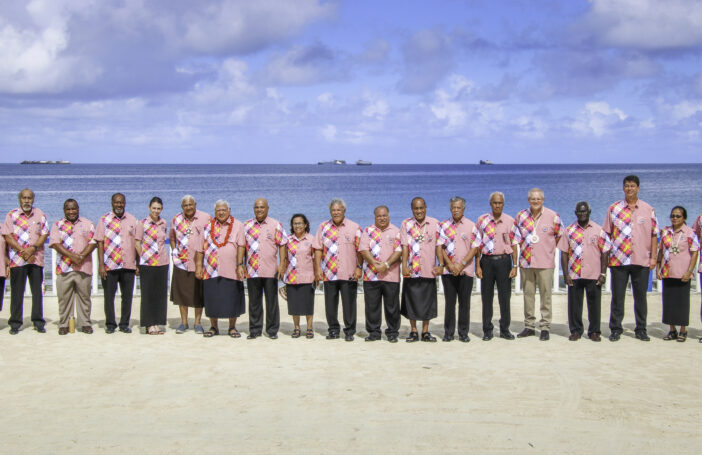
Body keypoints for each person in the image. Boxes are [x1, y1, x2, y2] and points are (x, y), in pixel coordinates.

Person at [603, 175, 658, 342]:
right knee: (617, 297)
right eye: (627, 186)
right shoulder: (614, 209)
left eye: (632, 186)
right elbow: (606, 233)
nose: (629, 189)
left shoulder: (648, 209)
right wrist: (606, 259)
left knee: (640, 297)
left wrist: (654, 257)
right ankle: (615, 329)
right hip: (619, 260)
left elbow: (654, 235)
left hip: (641, 259)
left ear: (638, 188)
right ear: (623, 188)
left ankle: (641, 329)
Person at [512, 188, 563, 341]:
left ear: (543, 200)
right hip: (526, 262)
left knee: (546, 295)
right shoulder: (521, 216)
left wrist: (548, 250)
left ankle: (545, 327)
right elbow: (515, 239)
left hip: (545, 263)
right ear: (529, 200)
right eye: (533, 199)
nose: (535, 201)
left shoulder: (553, 216)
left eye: (538, 199)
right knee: (528, 295)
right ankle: (529, 326)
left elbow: (560, 236)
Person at [558, 201, 610, 342]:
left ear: (589, 212)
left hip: (593, 274)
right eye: (579, 212)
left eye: (584, 211)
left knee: (594, 305)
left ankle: (594, 331)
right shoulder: (568, 231)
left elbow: (605, 252)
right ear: (575, 213)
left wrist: (603, 273)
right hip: (575, 274)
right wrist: (566, 274)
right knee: (574, 305)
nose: (582, 214)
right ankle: (575, 330)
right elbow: (564, 253)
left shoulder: (599, 230)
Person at [195, 200, 246, 338]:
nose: (221, 212)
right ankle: (214, 327)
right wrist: (199, 266)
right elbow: (200, 249)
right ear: (214, 212)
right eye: (218, 210)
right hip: (211, 269)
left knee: (232, 299)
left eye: (224, 210)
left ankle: (232, 327)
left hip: (232, 270)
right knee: (213, 300)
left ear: (229, 210)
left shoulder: (238, 225)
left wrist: (240, 264)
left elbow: (241, 245)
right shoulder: (207, 227)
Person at [313, 198, 362, 341]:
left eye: (338, 210)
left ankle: (349, 331)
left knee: (349, 304)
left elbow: (361, 250)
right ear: (330, 211)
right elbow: (317, 249)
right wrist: (317, 269)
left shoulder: (355, 227)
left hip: (349, 273)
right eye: (333, 210)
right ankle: (333, 330)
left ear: (344, 211)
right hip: (329, 273)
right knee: (330, 304)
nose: (336, 212)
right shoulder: (323, 227)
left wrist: (359, 268)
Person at [2, 188, 49, 334]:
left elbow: (44, 234)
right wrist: (23, 251)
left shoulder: (40, 214)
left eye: (29, 198)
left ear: (33, 199)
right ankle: (15, 323)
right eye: (24, 198)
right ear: (19, 199)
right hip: (18, 260)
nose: (26, 200)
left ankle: (38, 321)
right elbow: (7, 236)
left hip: (36, 259)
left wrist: (32, 249)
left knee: (37, 292)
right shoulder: (11, 215)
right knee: (17, 292)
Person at [48, 199, 97, 335]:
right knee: (64, 298)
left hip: (83, 267)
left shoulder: (88, 224)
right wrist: (72, 256)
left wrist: (81, 257)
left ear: (78, 209)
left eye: (73, 209)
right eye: (68, 209)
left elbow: (93, 242)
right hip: (64, 268)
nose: (71, 212)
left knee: (84, 298)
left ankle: (85, 323)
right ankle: (64, 324)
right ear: (64, 210)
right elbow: (55, 244)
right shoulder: (57, 225)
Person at [437, 196, 480, 342]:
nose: (456, 210)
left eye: (458, 207)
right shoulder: (443, 225)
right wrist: (449, 264)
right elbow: (440, 247)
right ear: (450, 209)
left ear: (463, 209)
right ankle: (448, 333)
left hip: (465, 270)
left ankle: (463, 333)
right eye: (453, 207)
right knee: (449, 303)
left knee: (464, 303)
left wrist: (461, 264)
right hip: (448, 271)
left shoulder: (471, 226)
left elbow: (475, 248)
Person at [400, 197, 443, 342]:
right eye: (416, 208)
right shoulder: (406, 224)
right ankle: (413, 331)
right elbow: (404, 246)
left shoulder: (435, 223)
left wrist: (441, 264)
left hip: (428, 269)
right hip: (412, 269)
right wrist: (404, 266)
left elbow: (439, 246)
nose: (419, 211)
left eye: (421, 208)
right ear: (412, 209)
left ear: (426, 207)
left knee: (427, 302)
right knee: (410, 301)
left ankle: (425, 331)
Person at [243, 198, 287, 340]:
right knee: (254, 301)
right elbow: (242, 247)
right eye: (256, 207)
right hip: (252, 269)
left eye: (262, 207)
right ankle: (255, 330)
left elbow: (282, 244)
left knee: (271, 301)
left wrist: (282, 265)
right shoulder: (246, 225)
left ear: (267, 208)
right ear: (253, 209)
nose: (259, 210)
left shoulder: (276, 225)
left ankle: (272, 330)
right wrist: (242, 264)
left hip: (270, 270)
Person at [475, 192, 517, 341]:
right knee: (487, 297)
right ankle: (487, 329)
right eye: (494, 203)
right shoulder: (482, 220)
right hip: (486, 261)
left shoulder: (510, 221)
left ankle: (505, 328)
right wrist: (477, 266)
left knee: (505, 297)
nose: (497, 205)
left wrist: (515, 265)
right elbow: (477, 245)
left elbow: (514, 244)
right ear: (490, 204)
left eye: (500, 203)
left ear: (503, 204)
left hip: (504, 262)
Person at [95, 193, 138, 334]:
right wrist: (101, 265)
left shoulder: (132, 220)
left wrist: (138, 263)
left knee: (127, 297)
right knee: (109, 297)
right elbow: (100, 242)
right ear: (112, 203)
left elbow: (137, 243)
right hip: (110, 265)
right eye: (116, 202)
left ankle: (124, 324)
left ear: (125, 203)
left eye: (121, 202)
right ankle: (110, 324)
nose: (119, 205)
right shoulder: (104, 220)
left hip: (128, 265)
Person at [359, 205, 402, 343]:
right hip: (371, 276)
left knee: (392, 306)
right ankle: (374, 332)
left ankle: (392, 332)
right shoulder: (367, 230)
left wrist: (386, 265)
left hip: (391, 275)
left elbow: (399, 251)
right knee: (372, 306)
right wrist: (374, 264)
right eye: (379, 216)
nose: (382, 218)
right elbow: (363, 249)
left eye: (384, 215)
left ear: (388, 215)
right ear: (375, 217)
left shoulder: (396, 231)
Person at [657, 206, 699, 342]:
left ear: (684, 218)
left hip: (682, 273)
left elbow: (694, 253)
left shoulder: (690, 232)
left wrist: (689, 271)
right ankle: (672, 329)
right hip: (668, 271)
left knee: (682, 303)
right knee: (668, 302)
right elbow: (661, 250)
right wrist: (658, 268)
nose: (675, 218)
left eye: (678, 216)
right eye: (673, 215)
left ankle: (683, 330)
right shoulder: (665, 232)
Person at [169, 195, 210, 334]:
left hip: (199, 262)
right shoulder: (176, 219)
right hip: (181, 262)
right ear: (182, 207)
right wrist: (175, 251)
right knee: (182, 294)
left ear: (195, 204)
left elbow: (210, 237)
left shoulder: (205, 217)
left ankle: (198, 323)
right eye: (185, 205)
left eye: (190, 205)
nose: (188, 207)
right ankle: (184, 322)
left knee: (198, 294)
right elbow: (172, 237)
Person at [136, 197, 169, 335]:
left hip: (162, 262)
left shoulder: (163, 223)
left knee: (160, 295)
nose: (156, 211)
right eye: (154, 208)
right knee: (148, 294)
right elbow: (137, 243)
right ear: (149, 208)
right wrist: (143, 257)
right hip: (148, 264)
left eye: (159, 208)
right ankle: (149, 324)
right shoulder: (142, 223)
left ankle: (157, 323)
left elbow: (162, 241)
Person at [283, 214, 316, 339]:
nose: (297, 226)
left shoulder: (311, 239)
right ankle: (297, 328)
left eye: (300, 223)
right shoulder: (288, 240)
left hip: (308, 276)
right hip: (292, 276)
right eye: (295, 223)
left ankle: (309, 328)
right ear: (292, 225)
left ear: (305, 224)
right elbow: (285, 258)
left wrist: (317, 274)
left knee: (308, 304)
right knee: (294, 305)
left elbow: (315, 259)